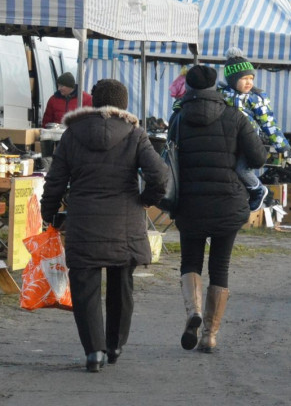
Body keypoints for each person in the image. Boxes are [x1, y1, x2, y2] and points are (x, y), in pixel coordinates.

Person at [40, 79, 167, 372]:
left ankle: (93, 352)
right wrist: (145, 200)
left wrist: (50, 214)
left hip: (83, 220)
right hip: (125, 222)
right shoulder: (136, 134)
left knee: (85, 288)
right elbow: (159, 174)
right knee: (122, 284)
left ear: (93, 102)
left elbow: (56, 179)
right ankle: (115, 345)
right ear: (123, 104)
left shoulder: (72, 135)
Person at [171, 65, 267, 352]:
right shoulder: (234, 116)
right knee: (220, 267)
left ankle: (193, 312)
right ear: (216, 86)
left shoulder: (178, 118)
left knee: (190, 261)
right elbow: (258, 157)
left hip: (189, 203)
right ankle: (210, 335)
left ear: (188, 87)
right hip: (227, 202)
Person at [218, 48, 291, 211]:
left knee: (242, 170)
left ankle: (259, 190)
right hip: (229, 141)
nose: (249, 82)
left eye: (251, 78)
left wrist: (282, 145)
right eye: (244, 78)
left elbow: (268, 122)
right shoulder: (221, 95)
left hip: (249, 140)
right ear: (232, 79)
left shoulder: (255, 98)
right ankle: (241, 197)